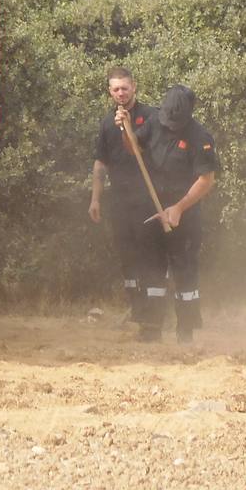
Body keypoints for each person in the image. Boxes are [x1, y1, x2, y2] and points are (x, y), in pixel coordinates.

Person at [127, 85, 218, 344]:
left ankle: (185, 331)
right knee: (152, 269)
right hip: (153, 209)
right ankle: (151, 327)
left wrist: (178, 208)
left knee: (184, 271)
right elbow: (134, 147)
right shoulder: (155, 121)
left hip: (184, 213)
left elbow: (206, 179)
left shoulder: (200, 137)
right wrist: (125, 128)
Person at [90, 68, 159, 328]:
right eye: (116, 89)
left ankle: (154, 312)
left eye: (125, 88)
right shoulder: (107, 123)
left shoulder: (151, 116)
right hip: (119, 200)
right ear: (110, 92)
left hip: (148, 197)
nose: (121, 93)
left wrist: (128, 127)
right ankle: (137, 309)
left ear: (134, 87)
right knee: (127, 255)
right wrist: (95, 199)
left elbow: (150, 151)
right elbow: (100, 163)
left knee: (149, 254)